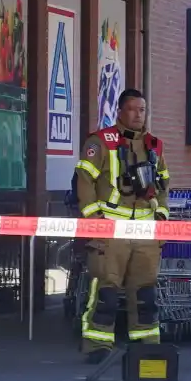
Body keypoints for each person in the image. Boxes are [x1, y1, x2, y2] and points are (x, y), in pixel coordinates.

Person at [74, 88, 171, 364]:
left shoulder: (154, 145)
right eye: (132, 109)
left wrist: (162, 216)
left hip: (145, 231)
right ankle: (96, 346)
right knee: (106, 290)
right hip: (111, 229)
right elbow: (84, 180)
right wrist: (93, 220)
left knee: (145, 292)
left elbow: (164, 185)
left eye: (142, 110)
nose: (138, 115)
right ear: (119, 111)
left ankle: (146, 343)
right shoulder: (101, 142)